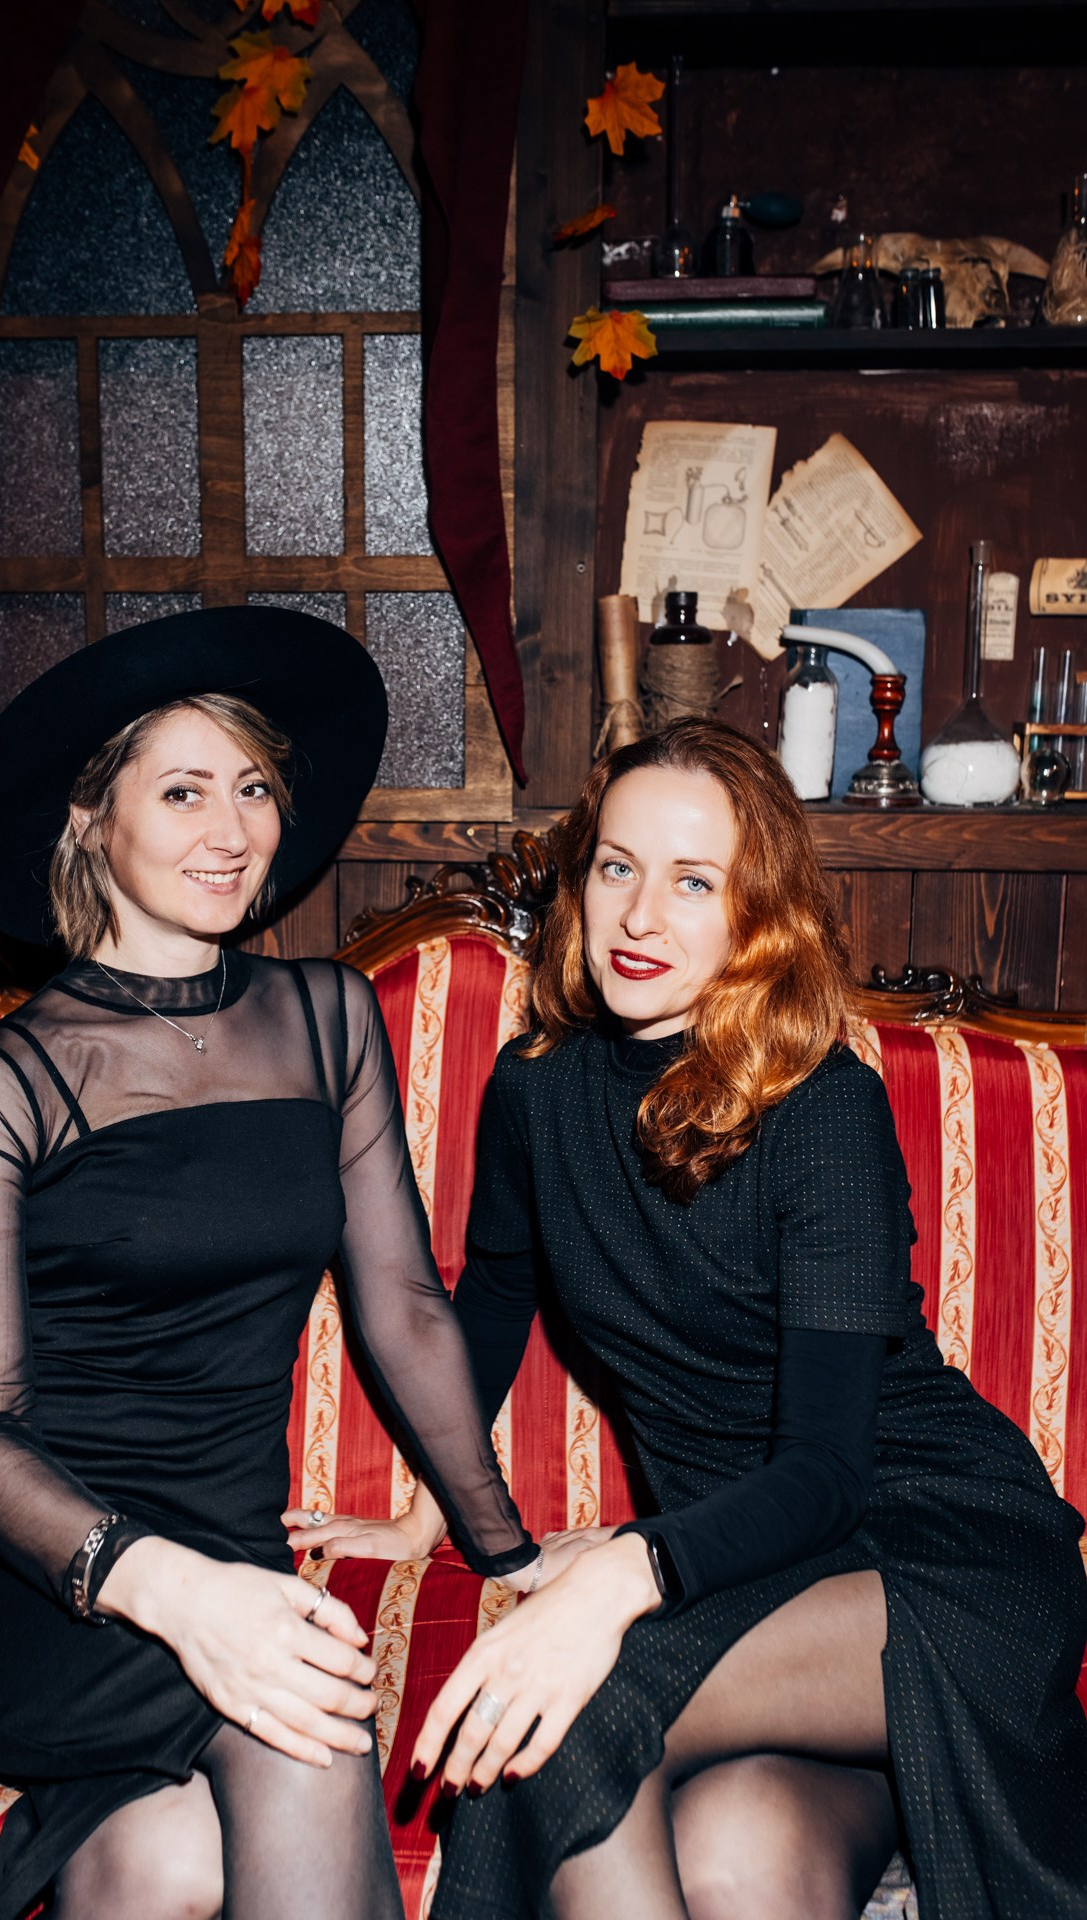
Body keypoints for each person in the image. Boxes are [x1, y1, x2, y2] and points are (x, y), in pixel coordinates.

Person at [296, 718, 1087, 1920]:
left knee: (551, 1723)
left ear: (754, 916)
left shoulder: (820, 1111)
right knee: (737, 1855)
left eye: (692, 882)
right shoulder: (535, 1088)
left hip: (929, 1557)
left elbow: (825, 1473)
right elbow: (497, 1293)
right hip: (755, 1570)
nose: (638, 917)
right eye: (616, 867)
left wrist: (625, 1568)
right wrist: (432, 1509)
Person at [0, 607, 542, 1920]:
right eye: (181, 791)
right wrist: (164, 1587)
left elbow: (402, 1304)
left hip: (221, 1534)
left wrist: (504, 1550)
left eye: (254, 787)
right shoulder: (2, 1084)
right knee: (310, 1711)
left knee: (162, 1859)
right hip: (9, 1559)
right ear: (88, 822)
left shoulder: (328, 1018)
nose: (232, 830)